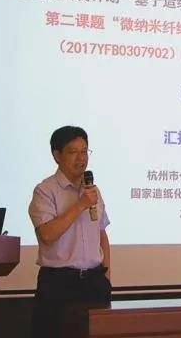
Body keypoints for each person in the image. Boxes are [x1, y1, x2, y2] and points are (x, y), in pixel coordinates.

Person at [28, 126, 111, 338]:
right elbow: (47, 234)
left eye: (84, 151)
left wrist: (106, 275)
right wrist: (80, 204)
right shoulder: (45, 191)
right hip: (59, 284)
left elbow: (101, 233)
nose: (81, 158)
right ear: (57, 155)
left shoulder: (93, 190)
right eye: (73, 152)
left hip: (94, 282)